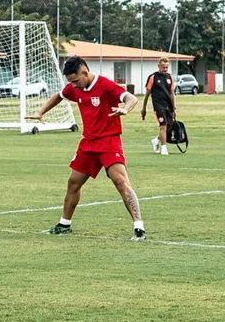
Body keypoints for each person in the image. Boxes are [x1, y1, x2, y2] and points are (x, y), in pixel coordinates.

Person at [29, 55, 146, 240]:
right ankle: (64, 224)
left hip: (109, 141)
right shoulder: (74, 87)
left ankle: (139, 228)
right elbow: (59, 96)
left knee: (121, 182)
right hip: (88, 144)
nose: (73, 86)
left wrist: (126, 109)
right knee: (73, 183)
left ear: (85, 72)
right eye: (71, 82)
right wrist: (40, 112)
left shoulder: (105, 85)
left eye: (75, 81)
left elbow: (130, 98)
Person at [140, 56, 176, 155]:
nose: (165, 69)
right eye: (163, 67)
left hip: (168, 105)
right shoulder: (153, 77)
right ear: (158, 66)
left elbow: (172, 94)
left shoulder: (170, 77)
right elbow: (147, 94)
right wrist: (144, 108)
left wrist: (174, 108)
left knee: (169, 126)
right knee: (163, 125)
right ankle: (164, 148)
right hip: (158, 105)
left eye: (166, 68)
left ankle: (156, 140)